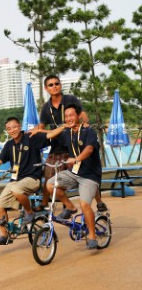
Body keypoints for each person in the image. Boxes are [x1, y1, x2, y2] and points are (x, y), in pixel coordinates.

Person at [0, 117, 66, 245]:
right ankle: (5, 235)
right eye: (9, 129)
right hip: (16, 180)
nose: (12, 130)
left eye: (14, 127)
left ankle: (29, 212)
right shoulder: (9, 145)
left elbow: (51, 135)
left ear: (19, 126)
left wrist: (64, 126)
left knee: (16, 189)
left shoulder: (30, 137)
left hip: (32, 178)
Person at [30, 75, 107, 212]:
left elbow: (83, 117)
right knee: (48, 174)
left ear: (60, 85)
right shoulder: (46, 107)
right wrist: (34, 131)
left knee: (84, 172)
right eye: (51, 85)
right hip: (57, 145)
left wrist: (84, 129)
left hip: (74, 143)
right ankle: (45, 203)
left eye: (56, 83)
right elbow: (41, 127)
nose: (54, 86)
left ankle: (99, 201)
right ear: (46, 88)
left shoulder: (70, 100)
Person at [46, 104, 102, 249]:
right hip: (73, 173)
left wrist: (77, 159)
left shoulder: (89, 132)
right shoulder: (67, 133)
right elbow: (49, 134)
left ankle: (92, 236)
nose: (69, 119)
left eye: (71, 115)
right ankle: (70, 207)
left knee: (84, 205)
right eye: (66, 116)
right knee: (50, 185)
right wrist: (38, 131)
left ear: (78, 116)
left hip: (89, 175)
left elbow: (89, 149)